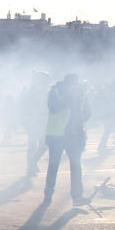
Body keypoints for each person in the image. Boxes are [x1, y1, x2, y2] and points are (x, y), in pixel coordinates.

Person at [43, 74, 91, 205]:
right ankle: (48, 194)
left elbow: (87, 112)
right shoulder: (56, 91)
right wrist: (70, 97)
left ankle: (77, 197)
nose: (74, 86)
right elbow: (53, 108)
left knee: (76, 166)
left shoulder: (81, 93)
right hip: (57, 135)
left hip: (74, 136)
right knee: (53, 165)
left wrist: (81, 119)